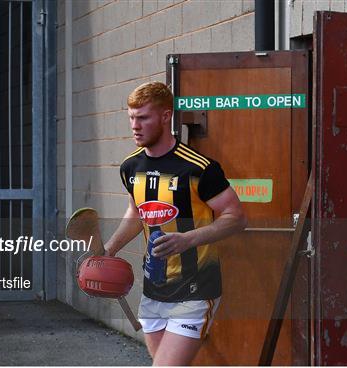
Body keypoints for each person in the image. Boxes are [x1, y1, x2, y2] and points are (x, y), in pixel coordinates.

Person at [104, 81, 247, 366]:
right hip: (153, 289)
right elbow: (136, 213)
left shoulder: (199, 168)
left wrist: (188, 239)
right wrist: (109, 250)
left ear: (166, 116)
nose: (135, 125)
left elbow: (236, 217)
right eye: (131, 117)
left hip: (195, 290)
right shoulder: (130, 167)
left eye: (143, 117)